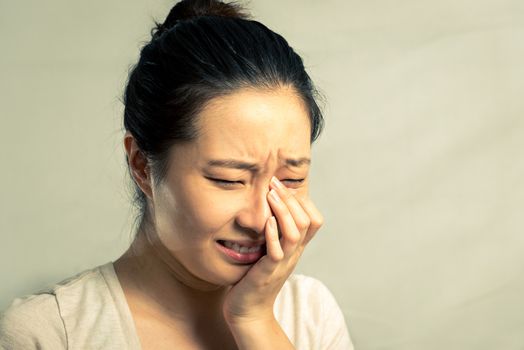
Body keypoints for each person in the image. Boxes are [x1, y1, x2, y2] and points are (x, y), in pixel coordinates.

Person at [0, 0, 354, 349]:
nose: (262, 218)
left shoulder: (310, 314)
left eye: (290, 180)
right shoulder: (49, 333)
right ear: (142, 165)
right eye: (228, 180)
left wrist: (255, 321)